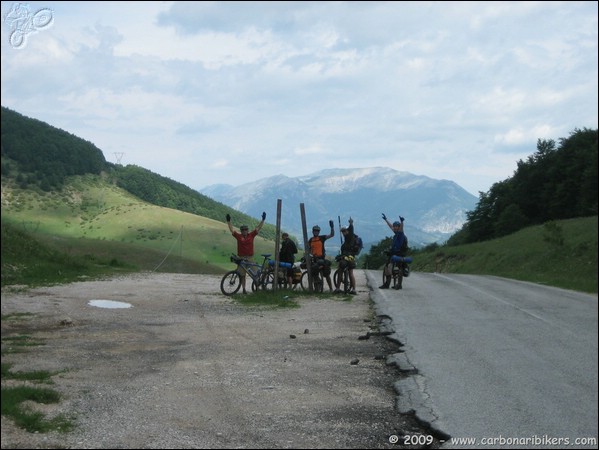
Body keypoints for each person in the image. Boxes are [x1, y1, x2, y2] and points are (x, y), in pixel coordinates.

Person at [226, 211, 266, 293]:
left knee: (255, 274)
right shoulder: (238, 236)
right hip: (241, 258)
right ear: (241, 231)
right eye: (243, 230)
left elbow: (258, 228)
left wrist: (263, 220)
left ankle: (257, 288)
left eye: (245, 230)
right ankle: (244, 289)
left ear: (247, 230)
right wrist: (228, 221)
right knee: (242, 275)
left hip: (250, 257)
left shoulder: (251, 235)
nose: (244, 231)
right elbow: (232, 230)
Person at [379, 213, 407, 290]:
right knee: (387, 266)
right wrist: (386, 220)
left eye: (396, 226)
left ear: (398, 227)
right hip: (393, 253)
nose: (394, 227)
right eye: (394, 226)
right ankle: (387, 284)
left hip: (400, 253)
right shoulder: (396, 233)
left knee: (399, 267)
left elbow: (401, 228)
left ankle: (399, 284)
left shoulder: (401, 234)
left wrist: (402, 222)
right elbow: (390, 226)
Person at [308, 220, 335, 292]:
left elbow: (332, 235)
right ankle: (317, 286)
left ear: (319, 232)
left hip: (321, 258)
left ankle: (331, 289)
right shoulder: (311, 240)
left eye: (317, 231)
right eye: (315, 231)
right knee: (313, 272)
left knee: (326, 274)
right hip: (314, 259)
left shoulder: (322, 238)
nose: (316, 232)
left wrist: (332, 227)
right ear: (313, 231)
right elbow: (309, 250)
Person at [334, 217, 358, 295]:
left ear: (347, 231)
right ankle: (353, 289)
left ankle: (337, 288)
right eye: (342, 231)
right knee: (350, 273)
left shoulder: (350, 236)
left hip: (347, 258)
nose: (343, 233)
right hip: (351, 258)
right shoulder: (348, 240)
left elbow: (351, 229)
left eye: (344, 231)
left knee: (341, 270)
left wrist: (351, 223)